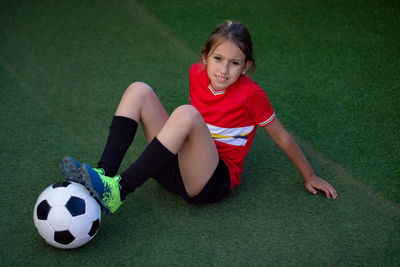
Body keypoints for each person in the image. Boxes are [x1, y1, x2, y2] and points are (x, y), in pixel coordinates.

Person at [61, 20, 338, 214]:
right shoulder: (196, 73)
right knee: (139, 90)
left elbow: (281, 135)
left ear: (246, 67)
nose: (223, 70)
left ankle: (120, 190)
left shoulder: (251, 95)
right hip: (174, 167)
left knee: (187, 113)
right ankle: (102, 177)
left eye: (234, 63)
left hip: (208, 183)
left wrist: (310, 174)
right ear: (205, 57)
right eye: (218, 59)